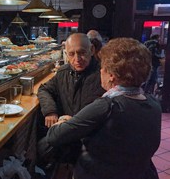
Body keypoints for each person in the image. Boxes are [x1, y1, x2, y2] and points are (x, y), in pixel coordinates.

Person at [45, 37, 161, 179]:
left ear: (111, 75)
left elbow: (54, 136)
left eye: (103, 68)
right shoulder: (154, 104)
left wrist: (63, 119)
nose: (100, 71)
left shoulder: (107, 105)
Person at [37, 33, 105, 165]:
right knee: (41, 149)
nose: (77, 59)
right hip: (68, 133)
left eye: (82, 53)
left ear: (91, 50)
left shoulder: (103, 74)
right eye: (71, 54)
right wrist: (50, 111)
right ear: (66, 54)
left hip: (90, 138)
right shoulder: (63, 72)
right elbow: (44, 89)